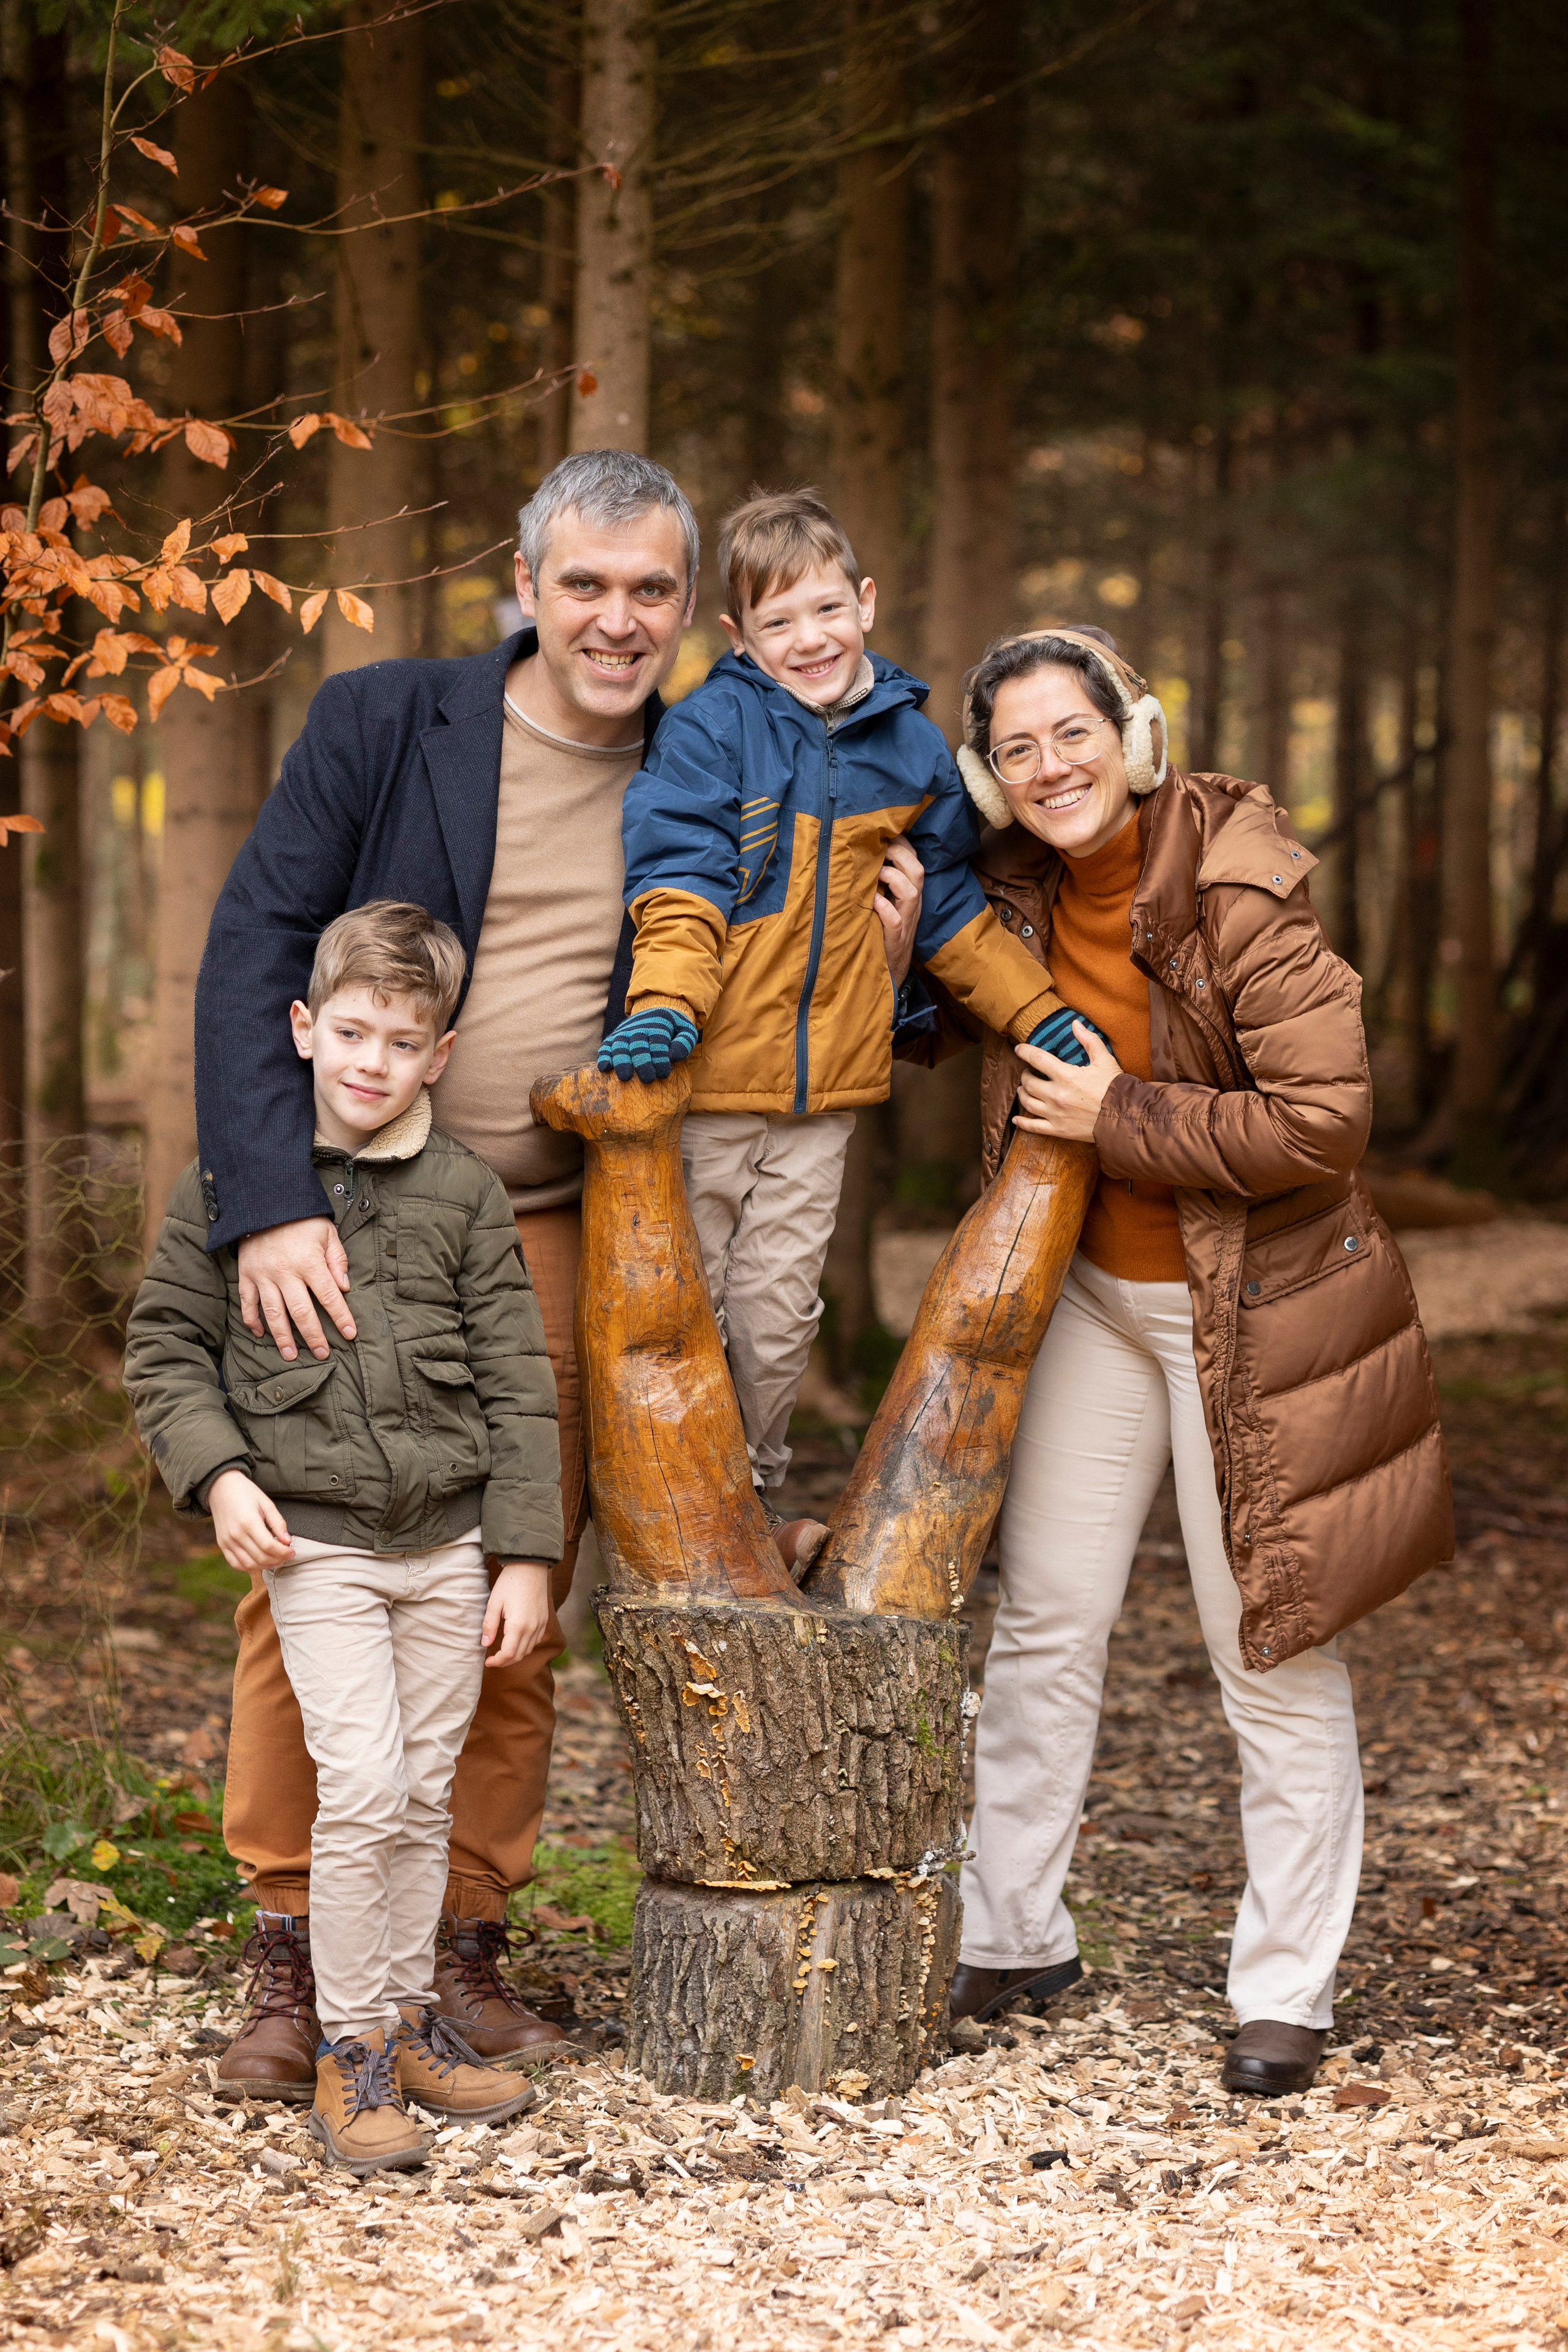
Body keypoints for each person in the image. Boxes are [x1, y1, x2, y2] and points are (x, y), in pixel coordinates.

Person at [929, 625, 1453, 2096]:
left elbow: (1317, 1124)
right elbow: (935, 1030)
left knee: (1268, 1644)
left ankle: (1282, 1991)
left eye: (1070, 733)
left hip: (1260, 1310)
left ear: (1132, 732)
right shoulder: (1012, 890)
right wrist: (903, 914)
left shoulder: (1238, 884)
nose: (1049, 769)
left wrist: (1123, 1119)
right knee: (1043, 1624)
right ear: (988, 774)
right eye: (1016, 749)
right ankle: (1014, 1933)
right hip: (1096, 1297)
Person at [127, 903, 554, 2170]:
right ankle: (351, 2047)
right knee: (362, 1785)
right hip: (314, 1546)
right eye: (352, 1032)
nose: (372, 1062)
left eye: (402, 1041)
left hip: (449, 1544)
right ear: (306, 1029)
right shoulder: (234, 1182)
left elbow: (520, 1379)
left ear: (440, 1052)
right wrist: (215, 1479)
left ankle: (411, 2022)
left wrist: (524, 1549)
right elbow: (163, 1352)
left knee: (423, 1791)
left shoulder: (466, 1193)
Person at [604, 490, 1098, 1543]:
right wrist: (664, 1007)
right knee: (687, 1304)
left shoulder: (915, 755)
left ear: (865, 603)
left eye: (826, 610)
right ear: (738, 636)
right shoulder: (710, 734)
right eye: (778, 624)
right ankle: (672, 1501)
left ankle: (754, 1494)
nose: (809, 639)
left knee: (780, 1316)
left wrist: (1036, 1013)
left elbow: (954, 915)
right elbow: (680, 884)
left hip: (824, 1096)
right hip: (705, 1087)